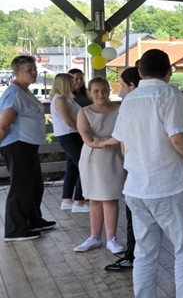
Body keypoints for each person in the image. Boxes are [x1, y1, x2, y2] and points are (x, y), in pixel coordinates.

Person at [109, 49, 183, 298]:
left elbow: (122, 144)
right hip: (167, 185)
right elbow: (177, 138)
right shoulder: (170, 94)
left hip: (135, 187)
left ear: (140, 71)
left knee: (144, 252)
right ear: (170, 72)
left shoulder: (130, 99)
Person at [1, 55, 57, 241]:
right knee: (21, 187)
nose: (34, 73)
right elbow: (3, 125)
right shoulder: (14, 94)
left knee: (34, 185)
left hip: (27, 145)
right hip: (17, 145)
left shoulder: (24, 91)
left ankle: (33, 220)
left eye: (34, 69)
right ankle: (15, 230)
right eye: (29, 70)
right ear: (17, 73)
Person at [72, 78, 126, 254]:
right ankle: (94, 237)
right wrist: (101, 142)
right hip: (93, 158)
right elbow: (87, 137)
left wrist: (107, 141)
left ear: (109, 90)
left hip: (114, 156)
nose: (101, 94)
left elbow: (124, 132)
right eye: (96, 91)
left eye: (104, 90)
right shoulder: (84, 112)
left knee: (110, 198)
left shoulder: (119, 110)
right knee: (94, 198)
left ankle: (111, 238)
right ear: (89, 93)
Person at [104, 66, 141, 272]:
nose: (121, 88)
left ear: (131, 85)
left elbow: (121, 138)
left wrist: (100, 143)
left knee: (134, 214)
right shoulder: (166, 96)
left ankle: (132, 256)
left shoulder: (130, 103)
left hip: (136, 168)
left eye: (122, 84)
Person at [50, 73, 88, 213]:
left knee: (72, 168)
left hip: (72, 136)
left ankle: (67, 199)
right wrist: (85, 131)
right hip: (70, 136)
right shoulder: (60, 99)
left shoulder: (67, 98)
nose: (74, 83)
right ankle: (79, 201)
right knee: (85, 165)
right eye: (71, 81)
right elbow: (68, 121)